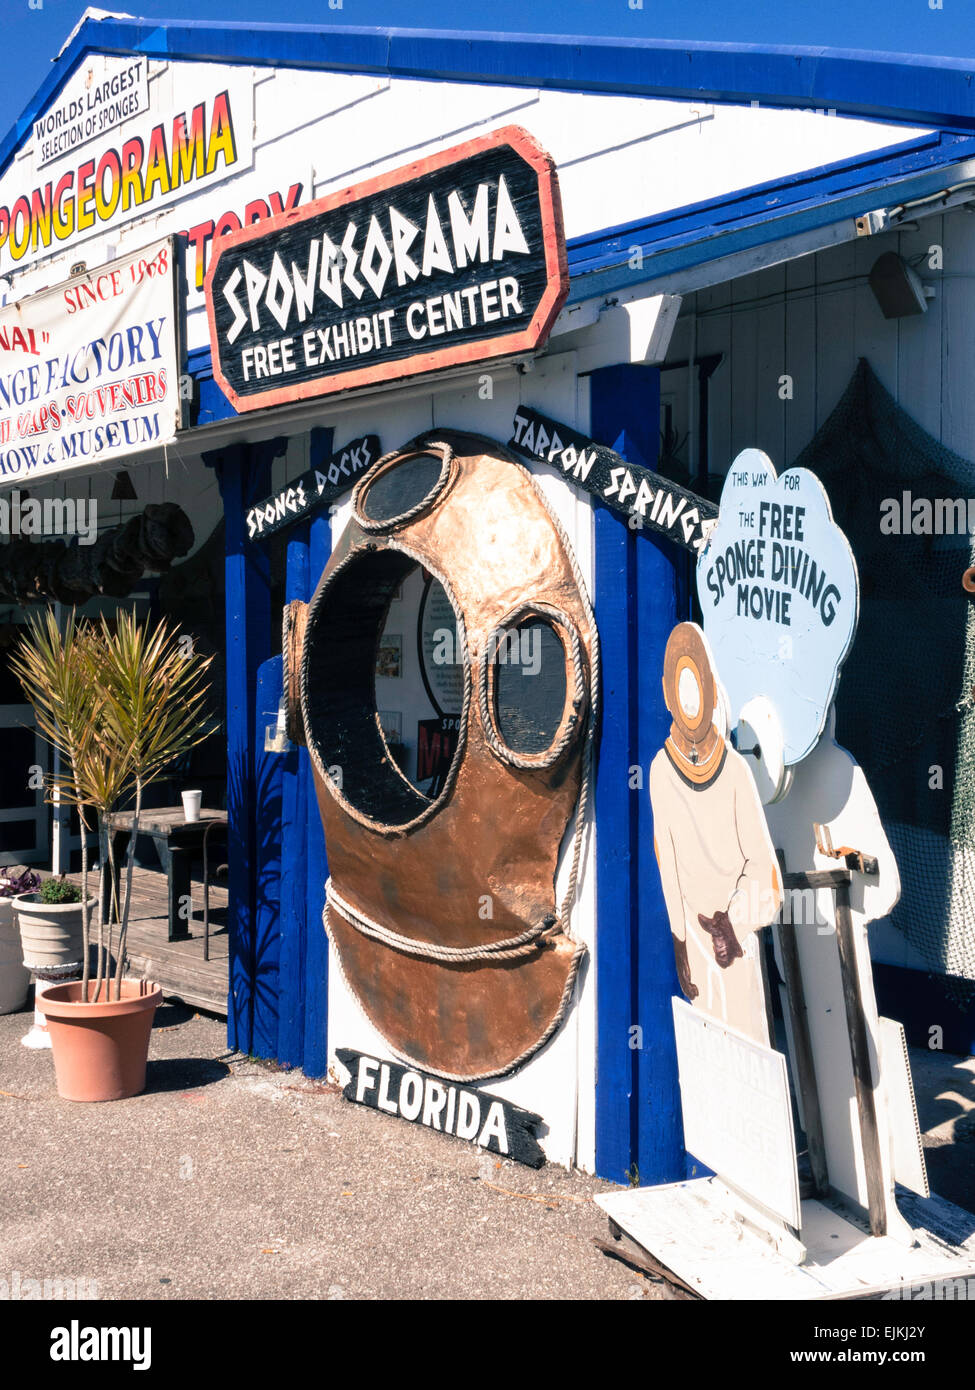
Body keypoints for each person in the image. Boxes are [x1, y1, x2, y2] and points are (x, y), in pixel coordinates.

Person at [649, 622, 782, 1045]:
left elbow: (766, 876)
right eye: (682, 687)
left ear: (709, 690)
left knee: (751, 1060)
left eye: (697, 685)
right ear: (670, 691)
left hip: (737, 948)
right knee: (708, 1062)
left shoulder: (736, 772)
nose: (690, 699)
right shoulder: (659, 771)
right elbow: (667, 864)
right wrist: (680, 941)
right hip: (698, 949)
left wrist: (734, 924)